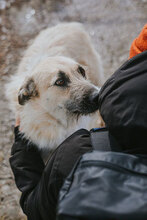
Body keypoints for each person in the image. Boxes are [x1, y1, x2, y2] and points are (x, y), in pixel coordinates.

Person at [9, 25, 147, 220]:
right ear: (28, 95)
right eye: (61, 82)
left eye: (81, 72)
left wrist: (20, 150)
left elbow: (35, 206)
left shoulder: (72, 156)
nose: (95, 91)